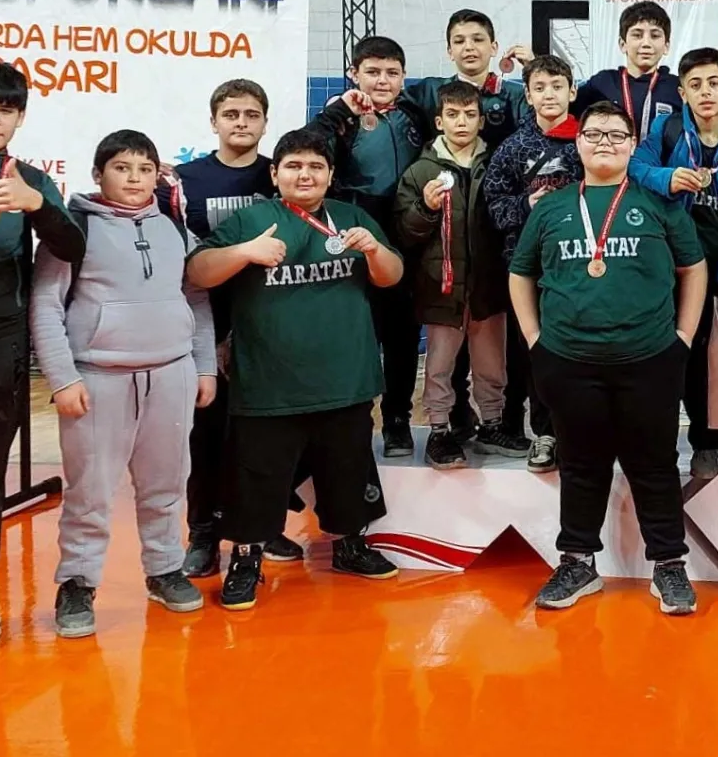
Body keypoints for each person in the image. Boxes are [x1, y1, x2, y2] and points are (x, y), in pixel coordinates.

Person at [186, 129, 405, 612]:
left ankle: (349, 545)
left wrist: (374, 250)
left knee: (347, 471)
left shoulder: (351, 218)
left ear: (330, 174)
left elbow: (392, 276)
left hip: (344, 378)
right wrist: (244, 253)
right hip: (269, 382)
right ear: (274, 173)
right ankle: (247, 559)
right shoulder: (252, 220)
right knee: (256, 478)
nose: (305, 175)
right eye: (294, 166)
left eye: (315, 167)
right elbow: (196, 272)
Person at [509, 102, 708, 615]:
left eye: (617, 135)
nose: (604, 143)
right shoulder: (551, 208)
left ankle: (669, 565)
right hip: (569, 359)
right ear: (577, 143)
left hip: (649, 359)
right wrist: (535, 340)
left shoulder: (657, 204)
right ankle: (578, 563)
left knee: (655, 465)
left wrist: (683, 338)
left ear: (632, 144)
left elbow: (693, 267)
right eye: (594, 134)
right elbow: (520, 273)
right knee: (581, 465)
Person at [30, 131, 217, 638]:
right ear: (98, 174)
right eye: (121, 168)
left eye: (144, 169)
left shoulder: (174, 226)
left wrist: (204, 365)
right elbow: (45, 305)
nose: (135, 179)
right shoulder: (73, 228)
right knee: (89, 492)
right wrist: (62, 377)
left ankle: (165, 569)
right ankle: (77, 582)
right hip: (98, 378)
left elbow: (196, 297)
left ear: (158, 175)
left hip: (171, 374)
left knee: (167, 484)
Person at [0, 58, 84, 655]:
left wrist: (37, 205)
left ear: (20, 118)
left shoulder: (28, 179)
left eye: (5, 109)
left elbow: (74, 246)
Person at [630, 47, 718, 479]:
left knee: (716, 359)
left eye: (713, 83)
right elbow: (635, 166)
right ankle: (673, 445)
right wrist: (666, 178)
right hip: (669, 267)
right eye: (695, 85)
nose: (705, 92)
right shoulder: (668, 130)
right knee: (672, 355)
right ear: (683, 93)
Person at [164, 80, 282, 578]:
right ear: (213, 121)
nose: (241, 122)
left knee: (267, 435)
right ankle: (204, 533)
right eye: (231, 114)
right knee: (207, 434)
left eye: (251, 114)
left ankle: (265, 524)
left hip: (268, 323)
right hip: (205, 323)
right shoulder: (183, 180)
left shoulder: (279, 174)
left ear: (265, 122)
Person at [311, 36, 433, 460]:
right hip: (356, 230)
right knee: (358, 333)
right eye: (373, 72)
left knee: (402, 332)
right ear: (354, 74)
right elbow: (307, 146)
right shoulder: (340, 117)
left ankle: (397, 419)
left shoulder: (414, 112)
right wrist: (338, 112)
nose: (382, 80)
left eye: (392, 72)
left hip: (407, 232)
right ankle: (354, 420)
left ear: (404, 76)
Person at [396, 80, 511, 470]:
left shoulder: (496, 163)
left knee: (491, 363)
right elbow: (404, 232)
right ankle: (439, 430)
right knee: (440, 365)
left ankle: (492, 423)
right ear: (439, 121)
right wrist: (426, 209)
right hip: (441, 288)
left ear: (481, 120)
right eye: (453, 115)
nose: (462, 122)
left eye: (469, 114)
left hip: (489, 286)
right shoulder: (420, 171)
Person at [483, 53, 583, 471]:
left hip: (580, 266)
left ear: (572, 92)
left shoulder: (588, 141)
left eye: (557, 86)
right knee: (535, 351)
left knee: (578, 350)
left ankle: (581, 430)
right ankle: (543, 433)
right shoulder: (512, 147)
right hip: (529, 269)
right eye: (539, 88)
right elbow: (493, 204)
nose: (549, 95)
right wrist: (527, 205)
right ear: (527, 95)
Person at [404, 8, 533, 149]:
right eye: (459, 41)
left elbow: (543, 125)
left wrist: (535, 71)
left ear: (494, 48)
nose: (469, 47)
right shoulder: (429, 91)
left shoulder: (517, 95)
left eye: (477, 40)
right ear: (450, 51)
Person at [571, 1, 682, 142]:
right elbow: (564, 111)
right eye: (637, 35)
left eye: (655, 36)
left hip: (660, 157)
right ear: (622, 44)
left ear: (666, 46)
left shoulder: (677, 87)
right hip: (610, 156)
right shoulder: (602, 83)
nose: (646, 43)